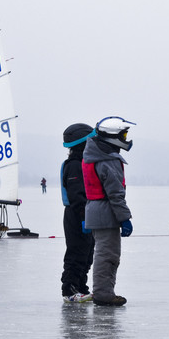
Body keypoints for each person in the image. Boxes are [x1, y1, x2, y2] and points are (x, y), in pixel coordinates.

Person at [83, 116, 135, 307]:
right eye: (124, 134)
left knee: (104, 254)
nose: (126, 138)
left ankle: (104, 291)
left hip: (96, 210)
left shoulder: (93, 154)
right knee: (107, 256)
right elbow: (115, 193)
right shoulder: (107, 159)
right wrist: (125, 218)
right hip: (106, 213)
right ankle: (103, 294)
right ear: (113, 136)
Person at [60, 123, 96, 303]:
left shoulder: (83, 163)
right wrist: (84, 218)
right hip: (76, 215)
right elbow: (77, 196)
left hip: (85, 214)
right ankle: (69, 289)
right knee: (76, 253)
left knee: (87, 254)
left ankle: (81, 286)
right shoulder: (74, 165)